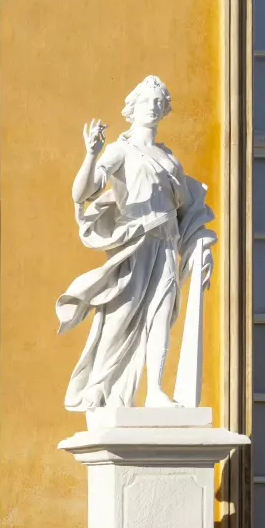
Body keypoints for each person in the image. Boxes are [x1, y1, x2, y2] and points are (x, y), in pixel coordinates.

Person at [57, 75, 215, 411]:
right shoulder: (120, 150)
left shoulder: (170, 160)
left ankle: (155, 390)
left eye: (160, 102)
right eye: (147, 101)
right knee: (122, 315)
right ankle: (100, 386)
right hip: (136, 243)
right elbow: (82, 193)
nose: (154, 107)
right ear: (132, 107)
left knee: (161, 314)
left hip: (168, 244)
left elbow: (190, 212)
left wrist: (202, 244)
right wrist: (91, 155)